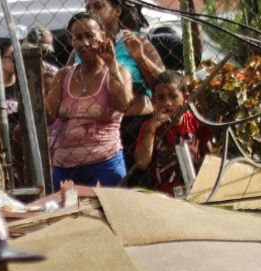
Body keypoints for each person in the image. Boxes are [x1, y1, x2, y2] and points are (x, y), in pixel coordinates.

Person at [45, 12, 132, 190]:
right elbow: (47, 117)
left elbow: (123, 104)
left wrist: (112, 64)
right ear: (71, 42)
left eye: (90, 35)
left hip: (104, 165)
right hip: (64, 170)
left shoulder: (119, 72)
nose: (84, 43)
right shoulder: (63, 76)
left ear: (104, 37)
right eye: (77, 38)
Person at [84, 0, 164, 183]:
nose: (91, 12)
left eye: (98, 6)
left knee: (139, 188)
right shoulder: (82, 47)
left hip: (134, 129)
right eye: (87, 8)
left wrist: (141, 57)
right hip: (96, 130)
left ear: (117, 11)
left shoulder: (135, 41)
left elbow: (164, 83)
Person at [135, 70, 212, 197]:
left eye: (173, 96)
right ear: (154, 102)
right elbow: (142, 163)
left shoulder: (196, 122)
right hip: (158, 193)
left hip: (192, 190)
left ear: (186, 98)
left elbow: (210, 157)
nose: (167, 103)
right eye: (161, 98)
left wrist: (197, 160)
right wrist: (152, 128)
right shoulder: (149, 126)